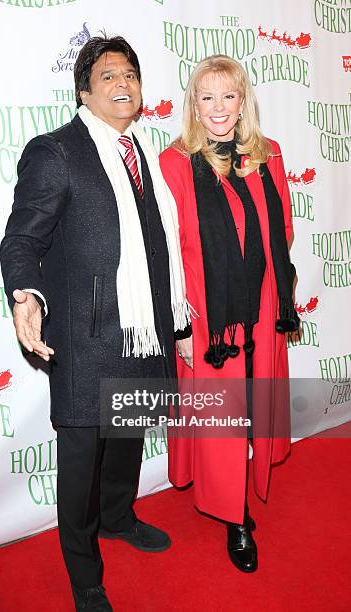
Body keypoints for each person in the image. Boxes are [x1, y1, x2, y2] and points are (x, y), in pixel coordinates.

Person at [0, 36, 190, 611]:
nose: (123, 84)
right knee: (81, 461)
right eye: (108, 76)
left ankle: (118, 518)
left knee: (128, 438)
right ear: (84, 90)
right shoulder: (56, 151)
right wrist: (25, 294)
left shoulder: (146, 155)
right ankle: (84, 574)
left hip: (141, 332)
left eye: (130, 75)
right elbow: (22, 238)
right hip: (84, 336)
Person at [160, 55, 299, 573]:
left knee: (252, 409)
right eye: (207, 96)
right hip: (207, 315)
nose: (218, 108)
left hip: (262, 308)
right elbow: (166, 253)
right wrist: (180, 325)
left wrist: (262, 281)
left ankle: (242, 493)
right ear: (194, 104)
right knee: (221, 416)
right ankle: (234, 517)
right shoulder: (174, 163)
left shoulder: (268, 155)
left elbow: (282, 231)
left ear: (244, 102)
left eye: (229, 96)